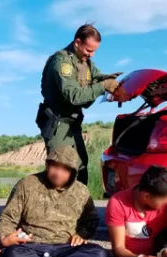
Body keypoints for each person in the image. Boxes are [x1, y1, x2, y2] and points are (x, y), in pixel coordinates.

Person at [0, 145, 108, 257]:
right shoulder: (27, 184)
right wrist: (6, 237)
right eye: (54, 166)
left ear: (72, 172)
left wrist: (82, 234)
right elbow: (8, 217)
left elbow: (91, 220)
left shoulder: (81, 191)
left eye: (65, 169)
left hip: (66, 249)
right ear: (47, 164)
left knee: (100, 256)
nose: (58, 173)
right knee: (12, 256)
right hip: (31, 247)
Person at [38, 23, 122, 185]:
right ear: (77, 42)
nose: (92, 55)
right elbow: (74, 96)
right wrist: (104, 86)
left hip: (73, 123)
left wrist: (112, 81)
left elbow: (97, 77)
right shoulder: (62, 62)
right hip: (58, 124)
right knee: (60, 173)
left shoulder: (85, 62)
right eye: (89, 50)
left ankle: (80, 209)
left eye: (94, 51)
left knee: (80, 168)